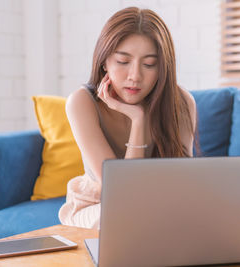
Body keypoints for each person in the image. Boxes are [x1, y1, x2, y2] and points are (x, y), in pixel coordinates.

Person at [58, 6, 197, 229]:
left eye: (149, 64)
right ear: (104, 62)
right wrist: (138, 119)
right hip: (97, 208)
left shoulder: (181, 102)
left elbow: (183, 185)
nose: (135, 76)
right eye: (123, 62)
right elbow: (122, 193)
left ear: (163, 68)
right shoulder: (82, 102)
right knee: (128, 218)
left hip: (155, 208)